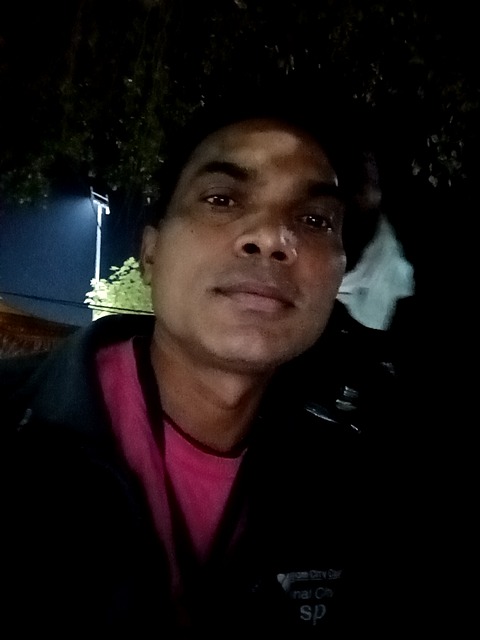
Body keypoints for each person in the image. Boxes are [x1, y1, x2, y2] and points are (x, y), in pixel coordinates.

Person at [2, 82, 407, 637]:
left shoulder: (357, 490)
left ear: (338, 274)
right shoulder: (17, 427)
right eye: (222, 199)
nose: (272, 237)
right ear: (150, 253)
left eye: (315, 220)